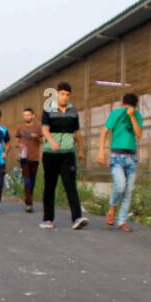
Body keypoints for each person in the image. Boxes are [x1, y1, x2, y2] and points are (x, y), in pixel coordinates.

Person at [40, 83, 88, 230]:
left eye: (67, 94)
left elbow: (77, 132)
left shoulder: (73, 110)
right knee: (50, 186)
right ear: (57, 94)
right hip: (50, 154)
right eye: (62, 94)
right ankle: (48, 219)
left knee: (70, 185)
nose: (65, 97)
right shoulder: (48, 109)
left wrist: (81, 150)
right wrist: (52, 141)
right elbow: (45, 129)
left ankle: (77, 218)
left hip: (68, 154)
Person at [100, 93, 143, 230]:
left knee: (128, 191)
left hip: (132, 157)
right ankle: (112, 209)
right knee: (120, 186)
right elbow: (104, 131)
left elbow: (139, 134)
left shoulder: (137, 115)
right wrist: (101, 151)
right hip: (117, 156)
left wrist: (131, 116)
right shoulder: (116, 113)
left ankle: (122, 221)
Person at [16, 107, 42, 213]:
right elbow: (17, 139)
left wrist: (36, 137)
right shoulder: (20, 127)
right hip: (24, 158)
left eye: (28, 115)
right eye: (25, 115)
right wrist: (19, 145)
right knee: (27, 180)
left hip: (34, 158)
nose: (26, 117)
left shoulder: (38, 127)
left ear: (33, 115)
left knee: (33, 181)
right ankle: (29, 204)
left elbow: (42, 140)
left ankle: (28, 197)